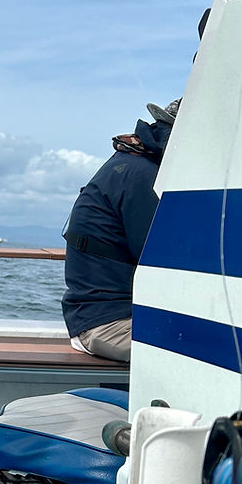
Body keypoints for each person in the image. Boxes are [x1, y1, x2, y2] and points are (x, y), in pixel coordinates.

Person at [62, 100, 179, 362]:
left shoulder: (128, 163)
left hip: (94, 318)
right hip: (109, 325)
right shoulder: (142, 176)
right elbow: (162, 261)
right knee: (215, 349)